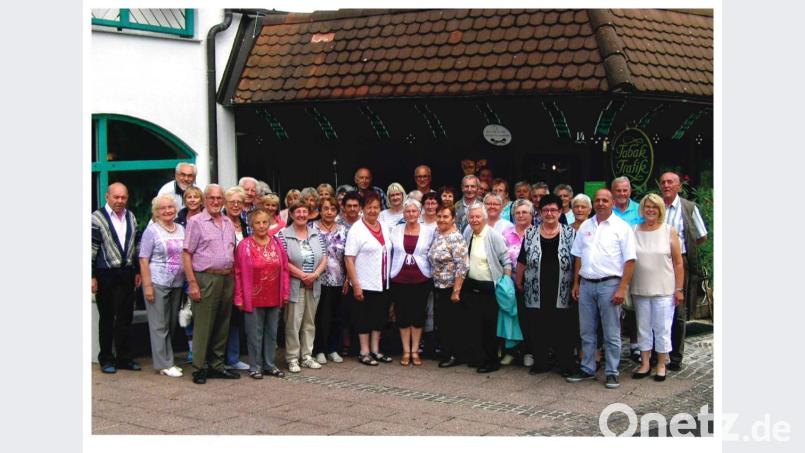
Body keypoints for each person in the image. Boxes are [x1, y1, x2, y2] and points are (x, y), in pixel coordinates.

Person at [566, 188, 636, 389]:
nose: (601, 203)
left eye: (605, 200)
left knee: (611, 331)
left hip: (610, 284)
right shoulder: (586, 226)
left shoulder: (622, 228)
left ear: (612, 202)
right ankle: (587, 367)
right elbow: (578, 255)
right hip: (587, 285)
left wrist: (622, 288)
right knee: (586, 330)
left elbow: (630, 260)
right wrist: (576, 283)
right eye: (597, 200)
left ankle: (612, 371)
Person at [182, 184, 240, 384]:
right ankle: (199, 367)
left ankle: (217, 365)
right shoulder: (196, 222)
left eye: (219, 198)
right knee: (204, 324)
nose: (216, 202)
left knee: (223, 323)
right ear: (205, 200)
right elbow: (187, 253)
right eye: (211, 198)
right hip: (205, 277)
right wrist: (193, 283)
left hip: (227, 277)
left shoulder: (228, 222)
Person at [515, 195, 577, 376]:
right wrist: (518, 281)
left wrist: (576, 283)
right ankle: (540, 362)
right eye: (545, 210)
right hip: (536, 287)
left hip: (562, 288)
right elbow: (522, 260)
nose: (549, 214)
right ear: (540, 213)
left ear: (560, 212)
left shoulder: (570, 233)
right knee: (538, 325)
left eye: (553, 210)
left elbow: (578, 261)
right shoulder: (530, 233)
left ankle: (565, 363)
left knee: (563, 326)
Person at [630, 194, 685, 382]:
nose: (650, 210)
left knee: (662, 328)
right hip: (640, 288)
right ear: (642, 209)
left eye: (654, 207)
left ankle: (661, 363)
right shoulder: (634, 229)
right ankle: (645, 363)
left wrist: (679, 289)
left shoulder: (669, 231)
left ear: (660, 209)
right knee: (643, 328)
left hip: (664, 289)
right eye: (647, 207)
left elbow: (678, 263)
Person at [91, 182, 142, 374]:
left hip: (127, 273)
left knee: (125, 318)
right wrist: (91, 276)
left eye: (123, 197)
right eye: (116, 197)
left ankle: (124, 358)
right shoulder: (96, 219)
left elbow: (135, 247)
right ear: (107, 197)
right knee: (107, 318)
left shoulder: (131, 216)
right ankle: (106, 358)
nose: (120, 201)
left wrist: (137, 270)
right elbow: (91, 250)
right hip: (106, 274)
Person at [660, 171, 708, 371]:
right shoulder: (655, 205)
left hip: (682, 263)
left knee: (678, 308)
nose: (666, 185)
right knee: (658, 306)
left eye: (671, 182)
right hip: (658, 263)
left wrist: (682, 249)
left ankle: (676, 357)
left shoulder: (689, 207)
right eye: (663, 182)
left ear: (678, 186)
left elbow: (702, 235)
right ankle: (658, 354)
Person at [234, 209, 290, 379]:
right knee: (254, 333)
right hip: (253, 296)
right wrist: (239, 296)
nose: (261, 226)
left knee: (272, 332)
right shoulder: (244, 245)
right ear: (251, 225)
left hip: (274, 294)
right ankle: (255, 366)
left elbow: (285, 269)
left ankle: (269, 365)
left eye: (265, 222)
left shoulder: (277, 243)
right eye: (257, 222)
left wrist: (285, 292)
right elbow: (237, 273)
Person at [277, 201, 328, 373]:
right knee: (293, 323)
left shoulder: (316, 234)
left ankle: (306, 356)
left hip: (314, 284)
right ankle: (292, 358)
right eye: (297, 211)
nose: (301, 215)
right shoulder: (283, 235)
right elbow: (283, 261)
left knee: (309, 322)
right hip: (295, 285)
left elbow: (324, 258)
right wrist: (302, 275)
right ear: (291, 214)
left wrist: (315, 274)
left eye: (305, 211)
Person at [344, 192, 394, 366]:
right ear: (363, 209)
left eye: (376, 207)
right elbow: (349, 258)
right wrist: (355, 284)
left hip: (382, 282)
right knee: (363, 319)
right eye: (369, 207)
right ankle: (364, 352)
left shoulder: (384, 226)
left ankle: (375, 350)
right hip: (364, 283)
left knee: (379, 318)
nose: (373, 211)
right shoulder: (356, 229)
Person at [462, 202, 512, 373]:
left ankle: (492, 361)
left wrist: (506, 283)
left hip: (490, 287)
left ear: (484, 218)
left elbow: (506, 260)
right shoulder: (468, 231)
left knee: (489, 326)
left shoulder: (493, 235)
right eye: (471, 217)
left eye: (478, 217)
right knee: (474, 324)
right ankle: (478, 357)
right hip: (471, 286)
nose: (474, 220)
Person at [139, 194, 186, 377]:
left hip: (177, 283)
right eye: (162, 208)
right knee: (159, 324)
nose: (167, 211)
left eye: (170, 207)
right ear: (156, 212)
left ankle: (169, 360)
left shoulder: (181, 228)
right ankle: (163, 364)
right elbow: (143, 259)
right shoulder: (152, 231)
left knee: (171, 323)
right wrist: (147, 286)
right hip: (157, 281)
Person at [389, 199, 435, 366]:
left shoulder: (429, 231)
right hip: (399, 278)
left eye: (414, 211)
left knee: (417, 315)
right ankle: (405, 351)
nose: (411, 214)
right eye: (408, 211)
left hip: (421, 278)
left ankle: (415, 351)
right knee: (402, 315)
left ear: (419, 213)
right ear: (403, 214)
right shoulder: (395, 230)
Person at [428, 205, 469, 368]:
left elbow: (463, 266)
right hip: (439, 285)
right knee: (443, 322)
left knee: (452, 323)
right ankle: (446, 351)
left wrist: (456, 291)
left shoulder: (456, 238)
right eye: (439, 216)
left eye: (445, 217)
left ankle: (454, 355)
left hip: (452, 287)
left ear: (453, 218)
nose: (441, 220)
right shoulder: (437, 233)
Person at [310, 195, 348, 365]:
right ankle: (319, 350)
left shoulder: (343, 229)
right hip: (318, 279)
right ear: (320, 210)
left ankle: (333, 349)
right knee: (319, 317)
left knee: (337, 316)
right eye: (325, 208)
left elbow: (348, 256)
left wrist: (348, 278)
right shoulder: (312, 228)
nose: (329, 212)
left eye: (333, 209)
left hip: (338, 279)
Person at [610, 176, 644, 363]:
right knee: (615, 305)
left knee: (634, 306)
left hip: (635, 264)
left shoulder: (640, 210)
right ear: (613, 192)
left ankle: (635, 344)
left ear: (630, 191)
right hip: (613, 266)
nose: (622, 194)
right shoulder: (607, 211)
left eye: (625, 190)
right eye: (618, 190)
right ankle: (615, 345)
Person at [502, 199, 534, 366]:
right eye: (517, 213)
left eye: (525, 212)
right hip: (511, 282)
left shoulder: (537, 232)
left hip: (532, 284)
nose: (521, 215)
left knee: (529, 318)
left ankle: (529, 351)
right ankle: (512, 351)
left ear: (532, 215)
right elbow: (501, 257)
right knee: (511, 317)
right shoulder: (506, 234)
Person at [222, 187, 250, 371]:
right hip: (226, 276)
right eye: (232, 202)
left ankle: (232, 357)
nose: (235, 205)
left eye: (239, 202)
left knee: (236, 318)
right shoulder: (220, 222)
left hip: (244, 277)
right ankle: (220, 358)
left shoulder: (246, 223)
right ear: (225, 204)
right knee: (223, 317)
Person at [175, 185, 204, 362]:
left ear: (201, 200)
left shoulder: (207, 218)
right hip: (183, 271)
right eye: (189, 197)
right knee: (187, 310)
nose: (192, 200)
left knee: (202, 311)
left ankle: (203, 348)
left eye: (196, 197)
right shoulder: (179, 220)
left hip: (202, 269)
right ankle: (192, 348)